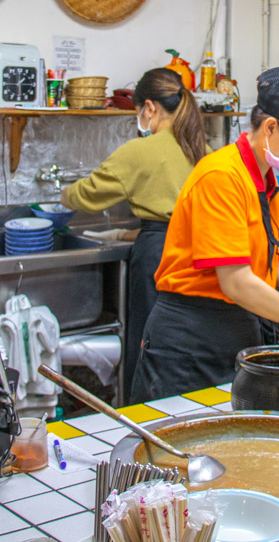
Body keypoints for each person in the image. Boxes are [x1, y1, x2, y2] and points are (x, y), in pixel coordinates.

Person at [130, 67, 279, 403]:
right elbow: (237, 281)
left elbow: (264, 260)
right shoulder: (221, 176)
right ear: (271, 127)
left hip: (230, 330)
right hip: (187, 343)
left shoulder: (265, 180)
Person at [61, 68, 209, 396]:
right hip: (200, 253)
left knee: (148, 343)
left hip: (158, 256)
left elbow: (88, 194)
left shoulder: (141, 150)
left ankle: (142, 419)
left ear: (150, 108)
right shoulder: (202, 147)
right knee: (180, 346)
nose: (139, 118)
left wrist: (63, 196)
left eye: (138, 110)